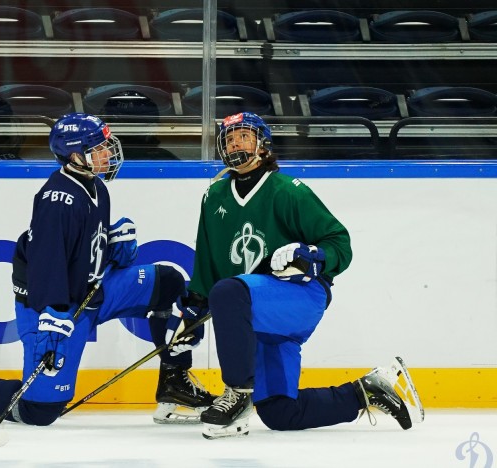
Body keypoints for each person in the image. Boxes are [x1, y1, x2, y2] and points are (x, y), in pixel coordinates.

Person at [0, 112, 215, 426]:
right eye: (99, 147)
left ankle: (174, 383)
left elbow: (83, 252)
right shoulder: (57, 201)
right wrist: (53, 313)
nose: (108, 152)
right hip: (52, 309)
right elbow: (46, 264)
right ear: (77, 155)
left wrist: (114, 244)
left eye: (106, 145)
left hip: (93, 293)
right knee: (41, 411)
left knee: (168, 282)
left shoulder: (96, 188)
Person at [171, 111, 424, 439]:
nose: (235, 143)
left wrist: (313, 256)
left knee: (228, 292)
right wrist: (194, 306)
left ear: (263, 144)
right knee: (280, 412)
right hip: (253, 313)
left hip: (300, 296)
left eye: (243, 136)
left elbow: (339, 243)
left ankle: (236, 391)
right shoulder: (213, 196)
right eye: (229, 138)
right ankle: (368, 390)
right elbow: (206, 260)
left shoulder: (288, 191)